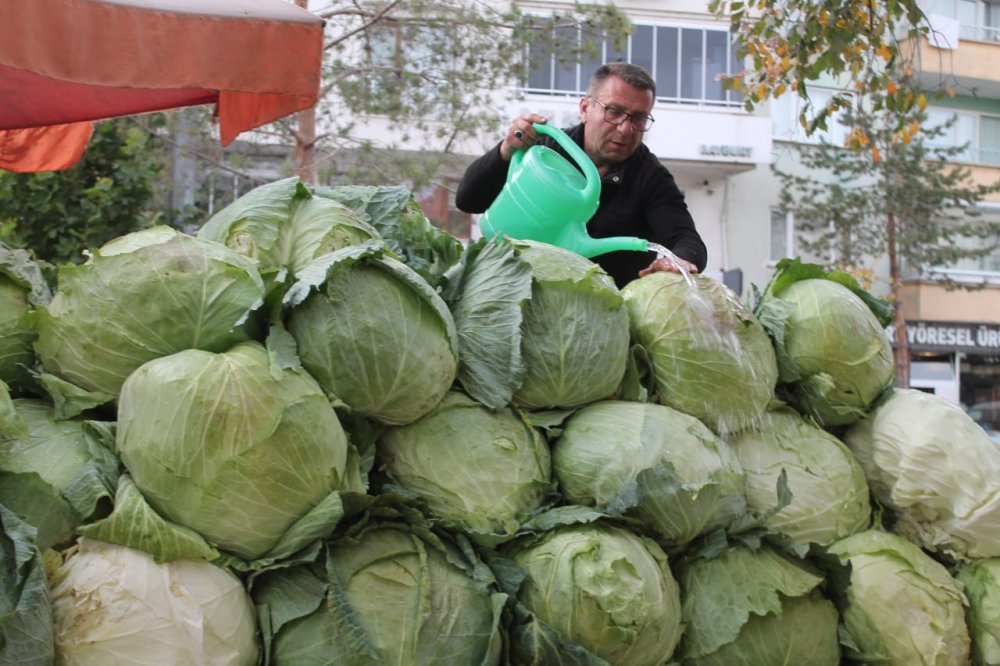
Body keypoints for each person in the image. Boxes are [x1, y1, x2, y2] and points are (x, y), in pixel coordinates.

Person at [456, 62, 707, 288]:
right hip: (518, 297)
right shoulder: (544, 151)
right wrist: (506, 150)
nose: (625, 128)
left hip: (605, 319)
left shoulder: (650, 177)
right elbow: (468, 200)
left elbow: (685, 238)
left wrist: (679, 261)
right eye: (614, 111)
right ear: (585, 108)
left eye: (639, 118)